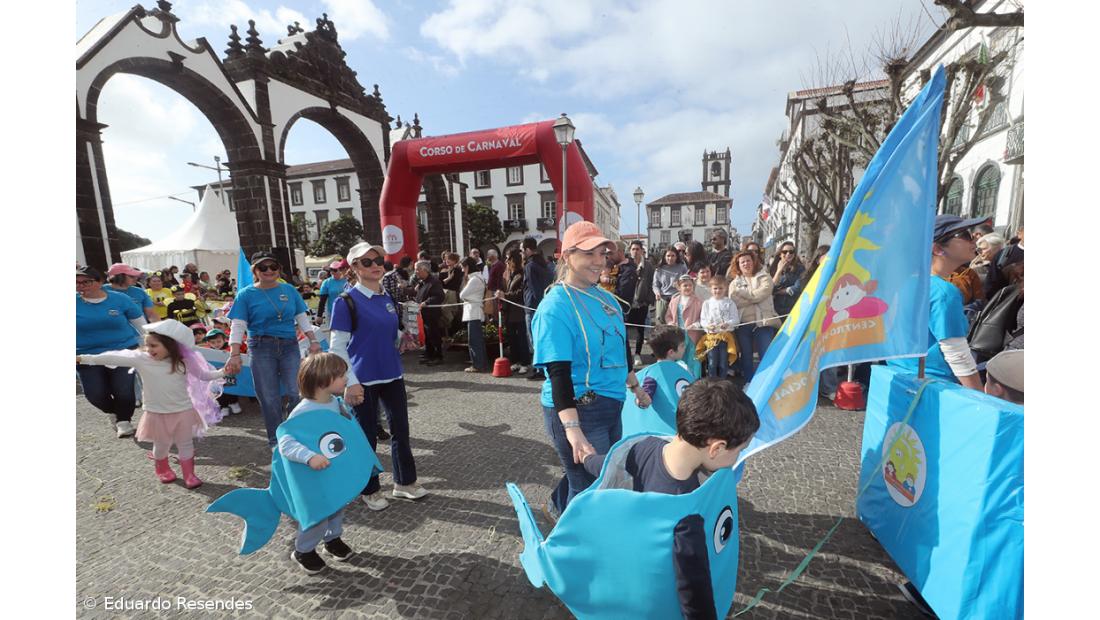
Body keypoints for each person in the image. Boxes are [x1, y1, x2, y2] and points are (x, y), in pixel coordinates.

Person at [581, 377, 758, 617]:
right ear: (716, 448)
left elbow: (609, 466)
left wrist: (587, 459)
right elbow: (694, 592)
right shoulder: (688, 510)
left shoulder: (645, 446)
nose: (738, 458)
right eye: (740, 450)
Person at [532, 221, 653, 516]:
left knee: (601, 475)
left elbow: (621, 350)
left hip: (611, 405)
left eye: (602, 254)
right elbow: (558, 373)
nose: (599, 262)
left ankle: (556, 506)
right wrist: (573, 431)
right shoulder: (555, 306)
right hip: (579, 409)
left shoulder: (607, 299)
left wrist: (636, 388)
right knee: (591, 488)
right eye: (589, 254)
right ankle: (572, 539)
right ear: (567, 256)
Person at [332, 242, 428, 511]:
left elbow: (389, 332)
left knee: (401, 431)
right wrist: (350, 383)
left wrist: (403, 338)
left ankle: (404, 482)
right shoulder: (346, 302)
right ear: (354, 267)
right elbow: (337, 347)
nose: (375, 266)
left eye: (379, 262)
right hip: (362, 379)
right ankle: (369, 489)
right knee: (366, 438)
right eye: (367, 262)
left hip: (392, 373)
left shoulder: (386, 297)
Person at [77, 319, 224, 488]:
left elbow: (204, 375)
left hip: (183, 410)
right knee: (161, 445)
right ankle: (163, 470)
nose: (149, 349)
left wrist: (223, 372)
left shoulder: (184, 361)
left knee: (185, 443)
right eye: (147, 345)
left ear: (170, 345)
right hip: (156, 413)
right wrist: (82, 358)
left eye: (154, 346)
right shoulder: (142, 359)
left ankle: (189, 475)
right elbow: (113, 357)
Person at [225, 252, 321, 447]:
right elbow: (238, 325)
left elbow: (301, 317)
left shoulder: (289, 290)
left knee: (296, 391)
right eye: (263, 267)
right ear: (255, 271)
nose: (269, 270)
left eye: (273, 267)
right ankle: (276, 440)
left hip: (289, 345)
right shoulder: (246, 294)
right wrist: (234, 354)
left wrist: (313, 340)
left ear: (279, 269)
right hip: (261, 347)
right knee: (268, 396)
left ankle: (296, 433)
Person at [281, 352, 360, 572]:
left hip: (332, 472)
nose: (346, 379)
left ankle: (332, 539)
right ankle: (303, 550)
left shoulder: (334, 402)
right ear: (323, 380)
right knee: (317, 514)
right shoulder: (303, 410)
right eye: (341, 375)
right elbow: (286, 441)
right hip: (313, 476)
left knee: (337, 506)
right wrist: (309, 457)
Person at [887, 215, 982, 389]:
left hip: (899, 379)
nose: (974, 239)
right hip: (934, 386)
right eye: (965, 234)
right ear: (937, 248)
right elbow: (957, 355)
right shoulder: (943, 292)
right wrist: (981, 399)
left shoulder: (901, 283)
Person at [76, 266, 146, 438]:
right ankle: (113, 411)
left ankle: (124, 421)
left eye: (86, 282)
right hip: (86, 355)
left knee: (123, 390)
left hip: (123, 351)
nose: (80, 286)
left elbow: (140, 324)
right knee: (95, 394)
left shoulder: (120, 299)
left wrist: (149, 344)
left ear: (100, 282)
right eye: (76, 282)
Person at [728, 250, 781, 384]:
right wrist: (754, 297)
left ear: (754, 262)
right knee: (746, 356)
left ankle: (767, 383)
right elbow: (734, 302)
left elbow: (762, 294)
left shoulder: (765, 277)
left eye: (748, 260)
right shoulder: (734, 283)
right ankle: (749, 384)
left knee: (766, 355)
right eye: (742, 262)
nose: (746, 264)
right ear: (738, 265)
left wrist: (744, 294)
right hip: (743, 324)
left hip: (763, 323)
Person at [800, 245, 839, 400]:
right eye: (826, 255)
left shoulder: (839, 273)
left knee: (829, 353)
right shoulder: (808, 278)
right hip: (812, 322)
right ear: (818, 259)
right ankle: (806, 387)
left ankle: (828, 387)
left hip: (832, 320)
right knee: (810, 355)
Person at [522, 237, 555, 381]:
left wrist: (537, 304)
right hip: (543, 304)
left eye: (522, 250)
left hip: (532, 306)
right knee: (542, 338)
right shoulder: (545, 264)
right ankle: (542, 368)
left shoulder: (530, 266)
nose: (522, 253)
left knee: (534, 340)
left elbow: (533, 288)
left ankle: (539, 369)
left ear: (528, 250)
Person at [698, 274, 739, 379]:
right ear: (710, 289)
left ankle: (722, 382)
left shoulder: (729, 303)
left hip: (725, 338)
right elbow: (703, 320)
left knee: (723, 363)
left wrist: (728, 324)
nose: (718, 291)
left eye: (720, 288)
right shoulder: (707, 303)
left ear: (725, 288)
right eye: (715, 288)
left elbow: (736, 319)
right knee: (712, 362)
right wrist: (708, 326)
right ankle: (712, 382)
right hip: (711, 338)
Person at [666, 274, 704, 378]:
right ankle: (679, 378)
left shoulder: (698, 301)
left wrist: (696, 324)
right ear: (679, 287)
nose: (687, 288)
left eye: (690, 285)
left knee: (692, 358)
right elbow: (668, 316)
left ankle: (694, 379)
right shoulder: (674, 301)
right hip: (678, 334)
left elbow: (703, 317)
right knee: (678, 357)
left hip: (692, 335)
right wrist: (671, 323)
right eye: (685, 285)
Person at [500, 249, 532, 374]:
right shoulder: (511, 274)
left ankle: (525, 362)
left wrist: (505, 295)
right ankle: (516, 361)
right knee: (512, 338)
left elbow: (520, 293)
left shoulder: (521, 274)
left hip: (518, 311)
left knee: (521, 338)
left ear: (514, 260)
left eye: (508, 258)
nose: (506, 261)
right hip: (510, 312)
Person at [459, 256, 490, 373]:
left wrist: (469, 298)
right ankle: (480, 363)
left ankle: (478, 365)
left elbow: (462, 295)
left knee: (474, 341)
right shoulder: (477, 277)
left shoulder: (474, 279)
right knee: (477, 340)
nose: (462, 270)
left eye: (463, 268)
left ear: (467, 267)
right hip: (475, 311)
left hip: (474, 312)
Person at [204, 328, 242, 416]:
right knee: (219, 391)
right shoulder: (208, 352)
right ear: (208, 343)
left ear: (224, 340)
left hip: (230, 375)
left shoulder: (230, 350)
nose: (216, 344)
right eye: (213, 342)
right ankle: (223, 407)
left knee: (232, 388)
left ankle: (234, 403)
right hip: (216, 376)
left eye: (218, 341)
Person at [628, 241, 656, 357]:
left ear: (642, 251)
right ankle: (627, 354)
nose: (635, 251)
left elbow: (652, 283)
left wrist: (648, 299)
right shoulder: (627, 264)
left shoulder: (648, 266)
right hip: (628, 303)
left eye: (637, 249)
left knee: (640, 329)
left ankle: (637, 354)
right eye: (633, 249)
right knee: (625, 329)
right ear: (630, 251)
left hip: (642, 302)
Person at [414, 260, 445, 366]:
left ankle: (438, 356)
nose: (416, 272)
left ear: (424, 270)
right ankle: (430, 354)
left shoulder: (434, 282)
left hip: (432, 313)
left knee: (434, 334)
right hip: (424, 313)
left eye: (417, 270)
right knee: (427, 335)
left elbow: (439, 296)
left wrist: (426, 302)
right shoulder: (422, 282)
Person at [653, 248, 688, 327]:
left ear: (676, 257)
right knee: (661, 322)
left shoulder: (682, 267)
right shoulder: (659, 268)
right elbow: (655, 284)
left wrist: (680, 287)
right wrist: (657, 292)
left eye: (673, 256)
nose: (670, 258)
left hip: (677, 297)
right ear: (664, 257)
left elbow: (687, 281)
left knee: (676, 322)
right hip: (663, 298)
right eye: (668, 256)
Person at [769, 241, 805, 318]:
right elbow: (770, 289)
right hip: (776, 309)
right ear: (780, 254)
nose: (788, 254)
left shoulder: (800, 268)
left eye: (791, 252)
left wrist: (778, 292)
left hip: (793, 307)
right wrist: (779, 271)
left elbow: (797, 288)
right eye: (785, 252)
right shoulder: (772, 269)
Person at [316, 259, 349, 329]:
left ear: (341, 270)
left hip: (348, 312)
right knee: (334, 332)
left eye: (335, 270)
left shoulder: (348, 280)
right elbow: (322, 300)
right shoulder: (326, 282)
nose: (332, 272)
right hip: (332, 312)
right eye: (330, 270)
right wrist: (319, 315)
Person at [440, 252, 464, 335]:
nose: (447, 260)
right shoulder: (442, 271)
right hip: (443, 294)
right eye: (446, 259)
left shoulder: (458, 271)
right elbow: (440, 284)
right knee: (443, 312)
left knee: (453, 313)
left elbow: (456, 285)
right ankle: (446, 332)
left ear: (455, 261)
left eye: (450, 259)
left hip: (453, 294)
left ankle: (454, 333)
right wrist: (448, 279)